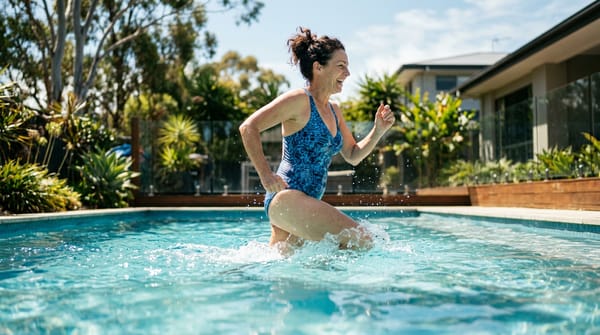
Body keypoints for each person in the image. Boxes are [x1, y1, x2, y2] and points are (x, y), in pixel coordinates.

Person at [239, 27, 395, 251]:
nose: (348, 73)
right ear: (318, 67)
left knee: (282, 264)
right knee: (361, 238)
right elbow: (248, 127)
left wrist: (378, 130)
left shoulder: (334, 110)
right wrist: (265, 174)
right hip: (287, 198)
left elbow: (352, 155)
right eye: (341, 66)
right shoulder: (300, 100)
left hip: (305, 203)